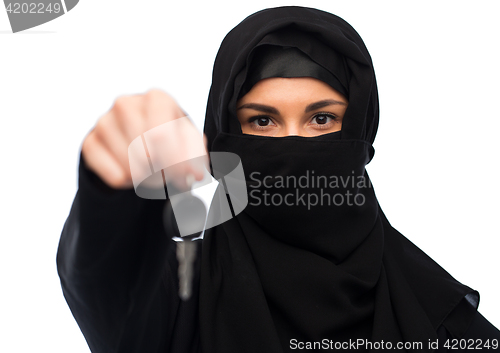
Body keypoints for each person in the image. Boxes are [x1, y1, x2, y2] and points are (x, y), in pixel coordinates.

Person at [57, 6, 500, 353]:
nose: (293, 145)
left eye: (321, 119)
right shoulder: (182, 298)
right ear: (225, 133)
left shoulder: (435, 316)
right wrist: (110, 191)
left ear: (359, 131)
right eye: (263, 121)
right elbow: (104, 282)